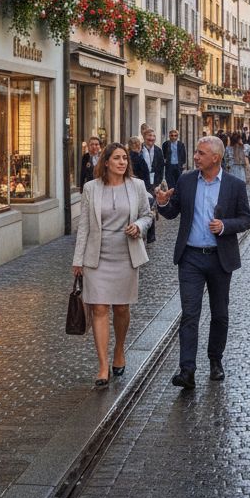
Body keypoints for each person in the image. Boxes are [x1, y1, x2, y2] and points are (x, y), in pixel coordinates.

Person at [155, 136, 250, 388]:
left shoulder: (234, 185)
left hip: (220, 259)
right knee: (190, 314)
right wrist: (163, 202)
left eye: (201, 153)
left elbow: (246, 219)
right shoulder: (187, 180)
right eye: (196, 152)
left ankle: (215, 360)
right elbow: (172, 212)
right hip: (190, 258)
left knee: (220, 314)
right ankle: (187, 370)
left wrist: (224, 226)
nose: (196, 157)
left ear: (215, 158)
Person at [72, 142, 153, 387]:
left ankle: (119, 349)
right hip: (97, 257)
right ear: (105, 162)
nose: (122, 162)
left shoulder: (137, 186)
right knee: (99, 309)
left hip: (126, 256)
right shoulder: (91, 188)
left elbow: (148, 215)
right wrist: (78, 260)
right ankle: (103, 365)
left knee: (121, 309)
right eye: (117, 158)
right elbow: (84, 225)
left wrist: (138, 226)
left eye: (125, 158)